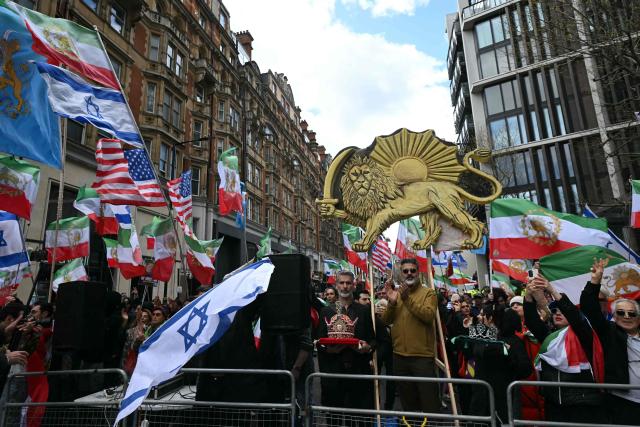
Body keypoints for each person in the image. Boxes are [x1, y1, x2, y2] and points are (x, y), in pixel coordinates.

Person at [524, 275, 606, 424]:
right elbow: (531, 321)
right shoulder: (550, 337)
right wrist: (528, 296)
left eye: (561, 310)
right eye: (554, 311)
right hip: (554, 404)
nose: (557, 313)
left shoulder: (584, 333)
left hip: (582, 405)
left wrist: (551, 290)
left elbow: (574, 316)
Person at [581, 258, 640, 424]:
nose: (627, 317)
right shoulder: (609, 332)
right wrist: (595, 281)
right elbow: (589, 307)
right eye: (621, 313)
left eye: (632, 313)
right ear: (614, 316)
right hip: (623, 401)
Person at [317, 270, 375, 423]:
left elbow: (373, 340)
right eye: (341, 283)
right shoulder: (326, 311)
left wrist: (367, 347)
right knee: (334, 418)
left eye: (348, 283)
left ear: (354, 286)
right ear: (336, 285)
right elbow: (318, 341)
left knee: (358, 418)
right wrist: (327, 349)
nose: (345, 286)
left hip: (358, 372)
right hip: (334, 373)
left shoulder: (364, 311)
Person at [382, 258, 439, 415]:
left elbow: (428, 316)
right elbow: (386, 321)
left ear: (418, 272)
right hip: (399, 356)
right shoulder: (397, 294)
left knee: (430, 403)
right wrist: (392, 303)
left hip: (422, 357)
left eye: (412, 270)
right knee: (408, 404)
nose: (409, 273)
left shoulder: (429, 293)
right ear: (401, 273)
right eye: (405, 271)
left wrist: (407, 299)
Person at [510, 295, 545, 421]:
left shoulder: (536, 325)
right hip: (522, 371)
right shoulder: (510, 329)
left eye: (518, 304)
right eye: (512, 305)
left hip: (535, 367)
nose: (514, 306)